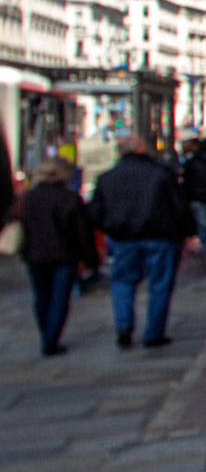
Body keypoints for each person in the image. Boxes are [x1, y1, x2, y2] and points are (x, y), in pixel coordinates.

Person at [89, 134, 193, 349]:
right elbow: (179, 206)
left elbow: (95, 212)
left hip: (124, 238)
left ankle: (124, 326)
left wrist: (111, 227)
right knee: (160, 285)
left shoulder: (107, 177)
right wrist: (186, 232)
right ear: (141, 148)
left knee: (123, 282)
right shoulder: (161, 174)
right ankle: (154, 333)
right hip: (160, 237)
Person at [15, 157, 98, 356]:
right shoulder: (70, 198)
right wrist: (90, 259)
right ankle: (51, 339)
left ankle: (47, 335)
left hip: (35, 255)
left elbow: (21, 225)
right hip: (64, 255)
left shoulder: (29, 198)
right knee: (59, 298)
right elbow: (82, 232)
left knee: (41, 297)